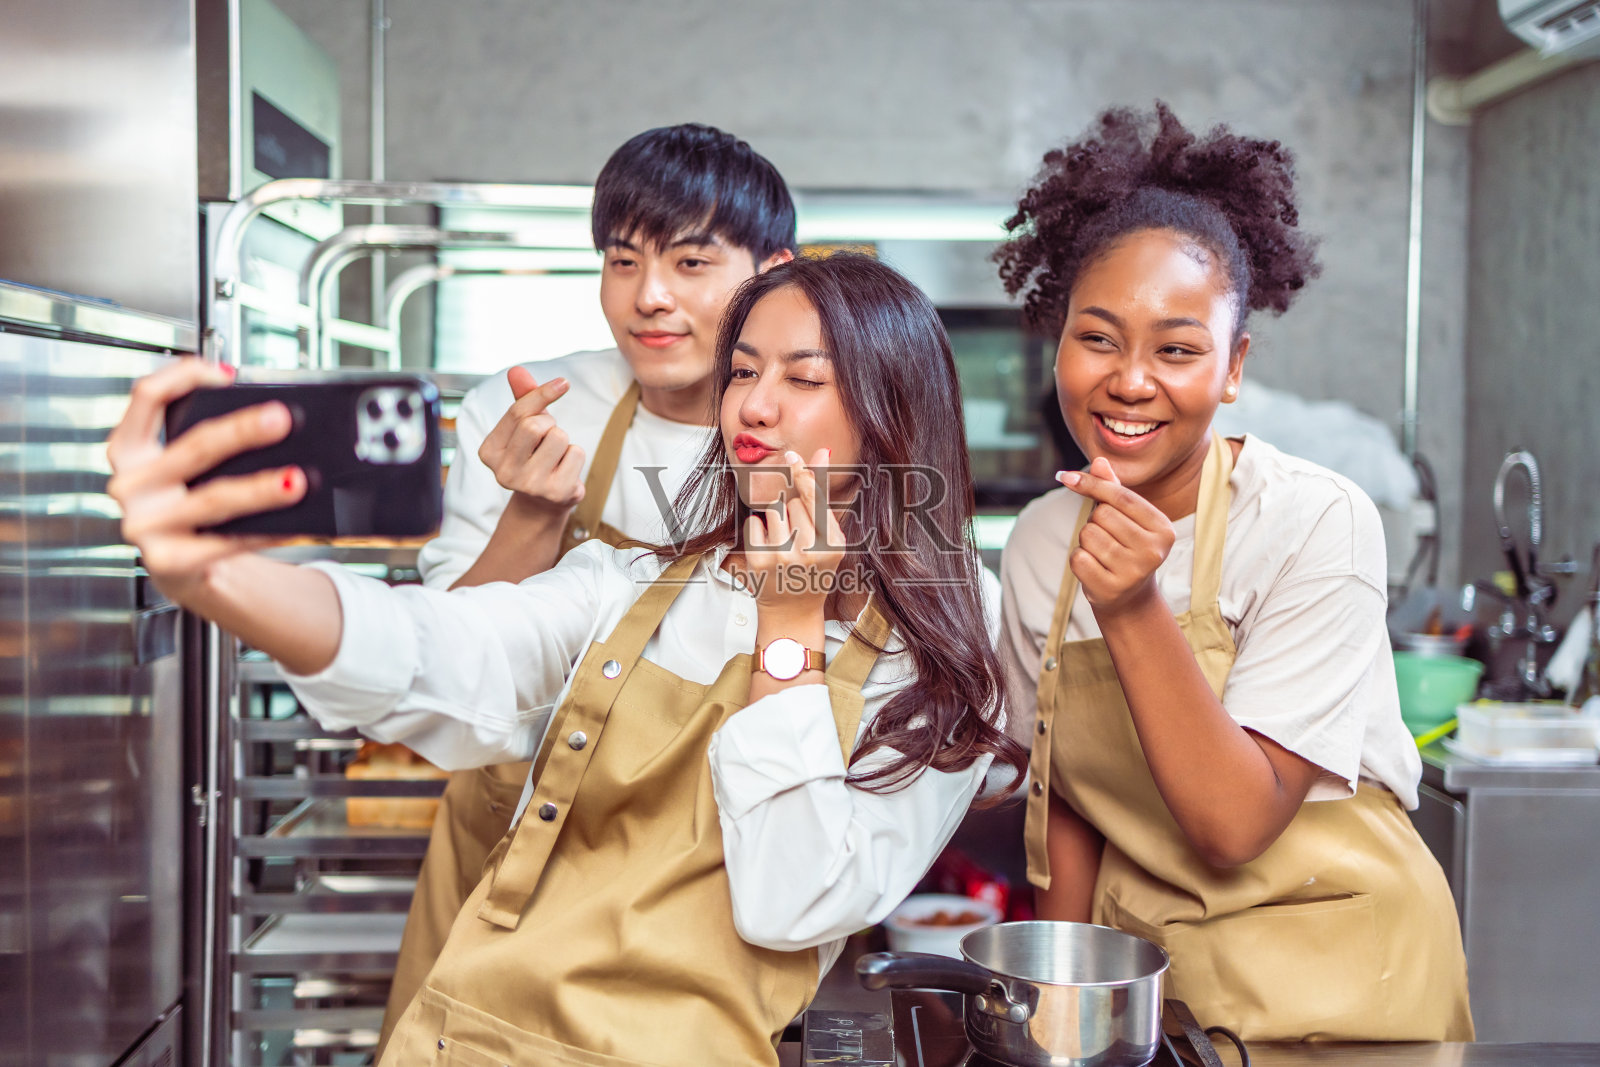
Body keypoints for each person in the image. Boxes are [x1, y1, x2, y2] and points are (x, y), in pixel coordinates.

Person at [107, 253, 1026, 1065]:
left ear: (891, 413)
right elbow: (436, 647)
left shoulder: (938, 656)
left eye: (802, 376)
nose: (753, 403)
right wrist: (217, 577)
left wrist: (785, 630)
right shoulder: (635, 582)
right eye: (742, 370)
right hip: (463, 1037)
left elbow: (790, 903)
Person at [994, 104, 1473, 1042]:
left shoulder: (1316, 522)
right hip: (1164, 1003)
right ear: (1057, 340)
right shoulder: (1041, 543)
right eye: (1098, 338)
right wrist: (1061, 1019)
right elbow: (1070, 808)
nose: (1131, 381)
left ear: (1234, 366)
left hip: (1349, 997)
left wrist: (1130, 604)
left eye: (1177, 350)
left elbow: (1234, 822)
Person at [387, 123, 797, 1051]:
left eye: (692, 262)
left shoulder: (816, 433)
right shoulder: (528, 410)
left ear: (773, 273)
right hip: (507, 838)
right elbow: (453, 668)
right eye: (623, 261)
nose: (649, 297)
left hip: (706, 867)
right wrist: (533, 512)